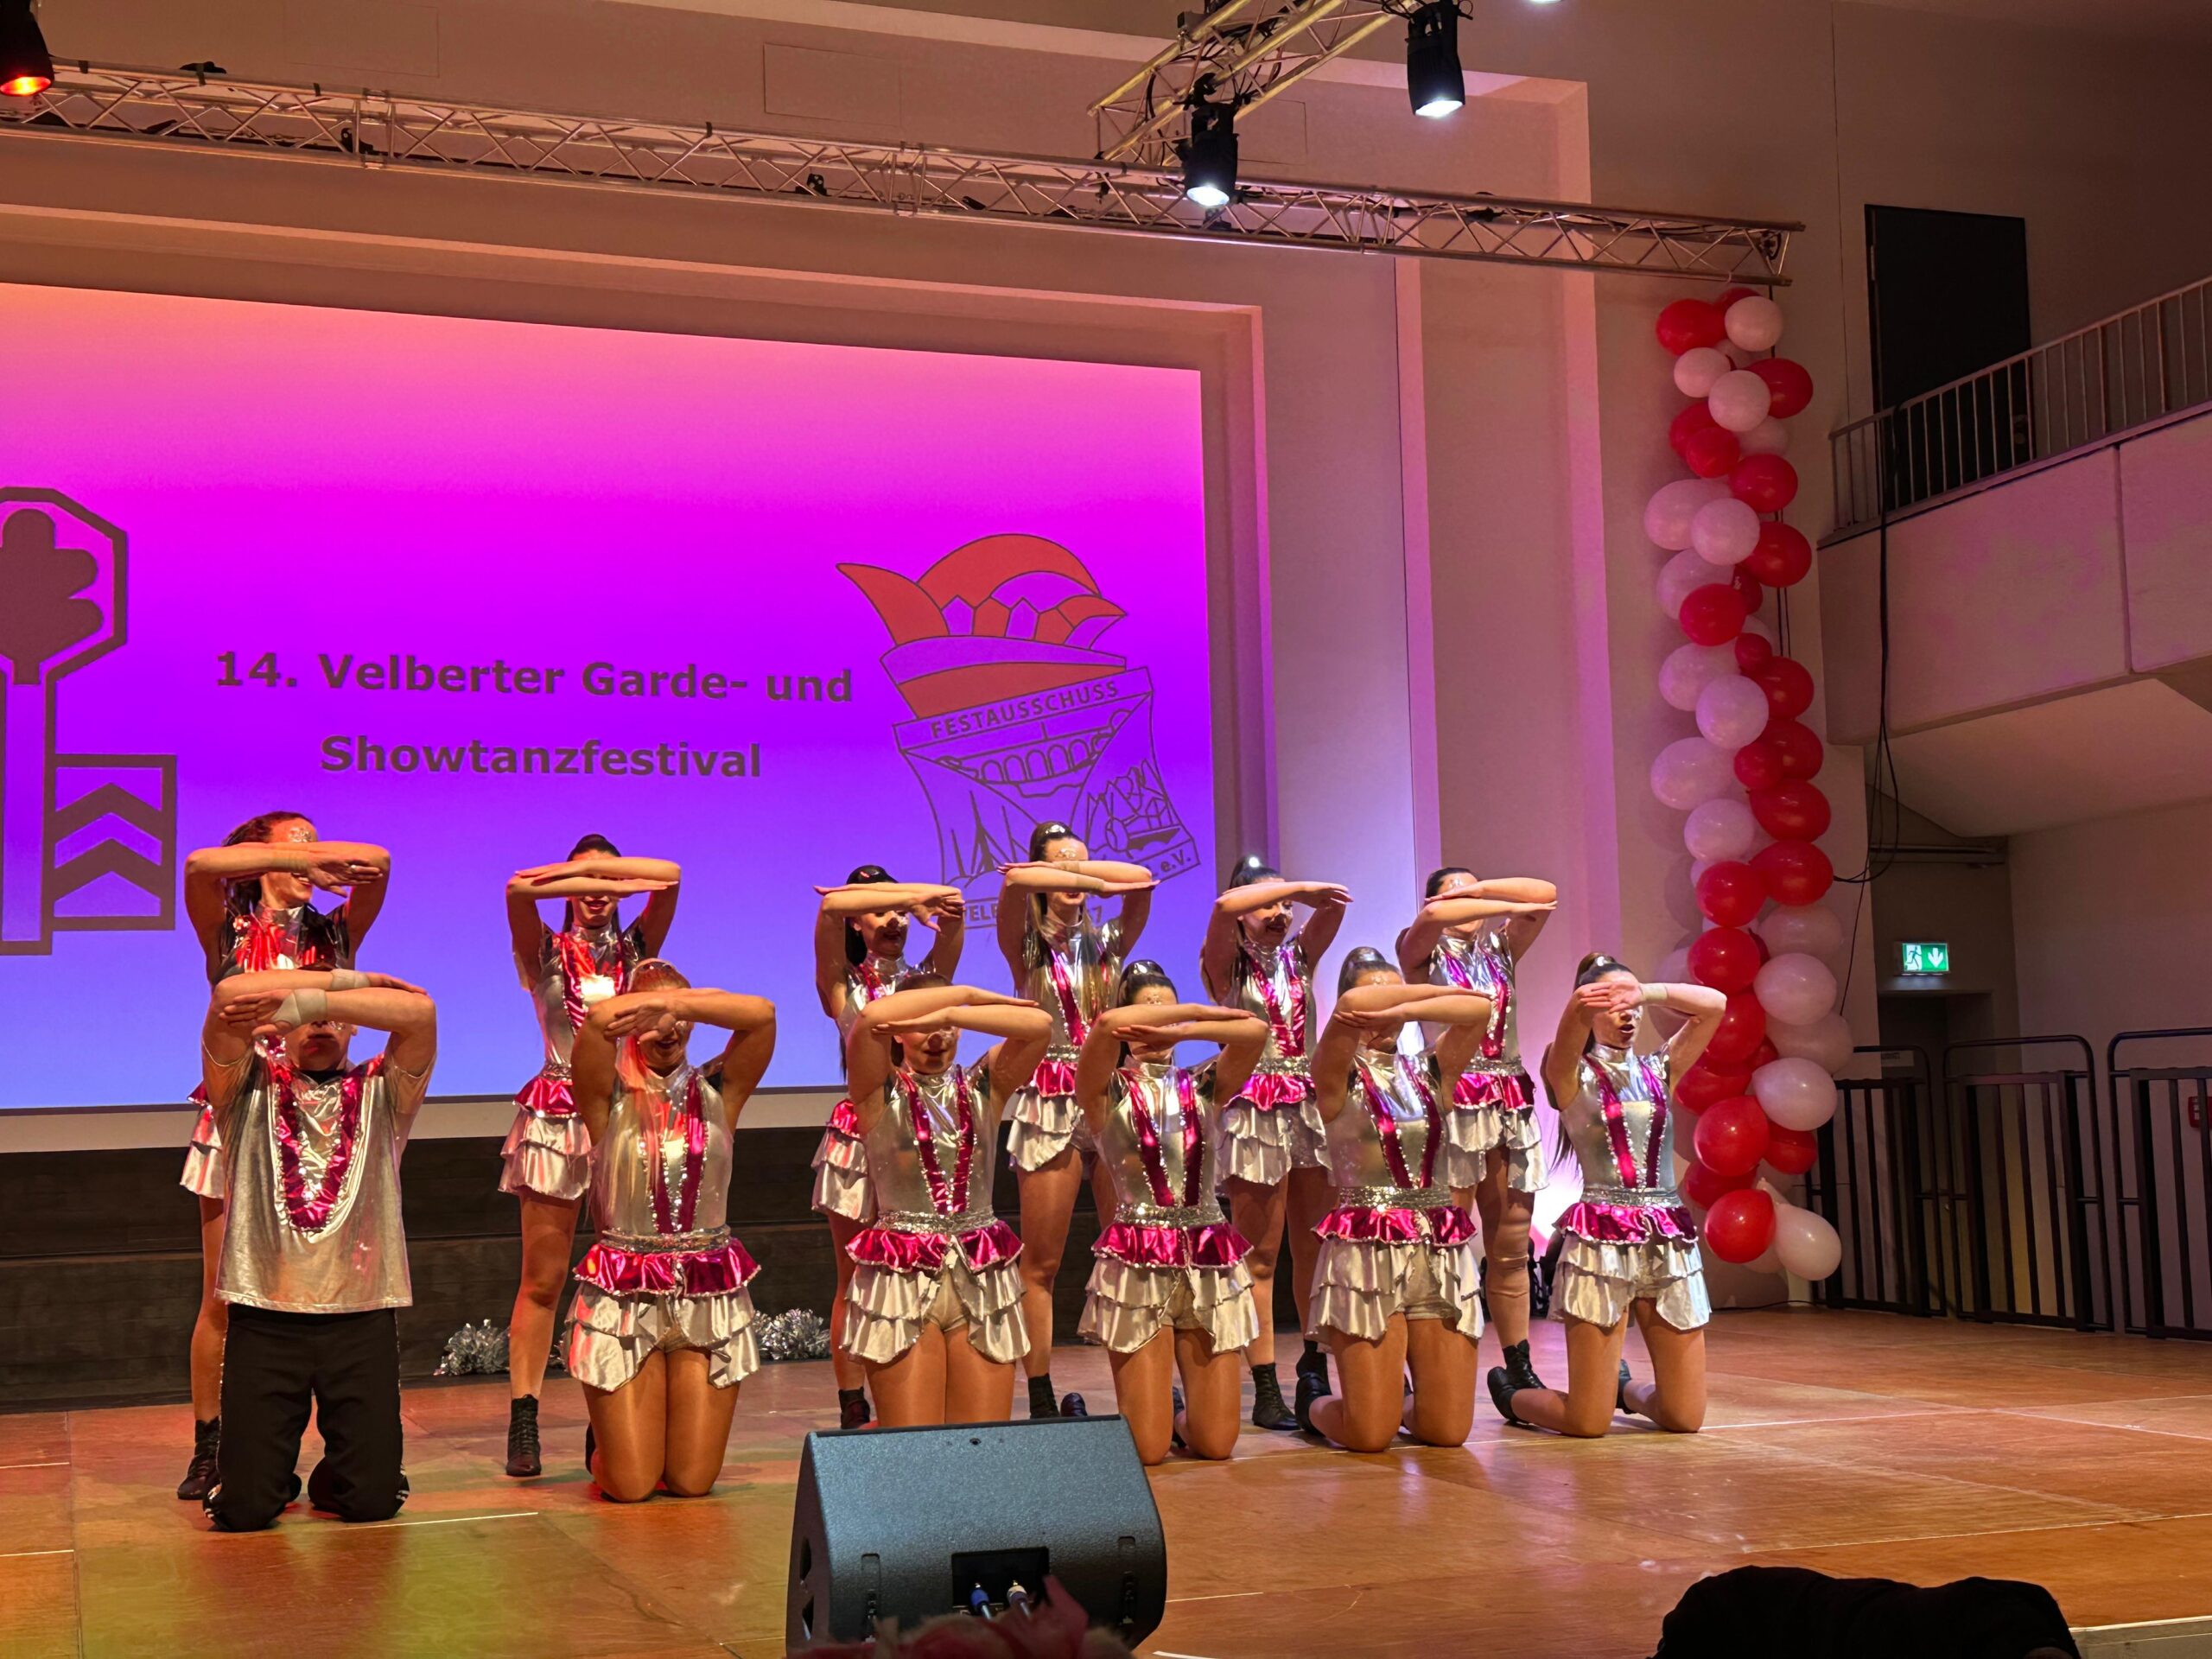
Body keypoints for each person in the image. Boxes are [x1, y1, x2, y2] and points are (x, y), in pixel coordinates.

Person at [174, 813, 391, 1501]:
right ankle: (211, 1445)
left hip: (323, 1117)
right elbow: (196, 868)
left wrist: (314, 860)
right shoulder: (229, 929)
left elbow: (379, 862)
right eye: (294, 845)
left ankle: (337, 1452)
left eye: (316, 844)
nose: (311, 857)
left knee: (319, 1289)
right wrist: (289, 858)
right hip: (246, 1110)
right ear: (258, 857)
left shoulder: (336, 932)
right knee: (223, 1293)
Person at [195, 964, 435, 1531]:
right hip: (266, 1315)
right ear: (280, 1025)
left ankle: (343, 1471)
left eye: (334, 1017)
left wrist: (328, 997)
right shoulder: (244, 1088)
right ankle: (265, 1472)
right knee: (246, 1510)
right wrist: (324, 992)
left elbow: (422, 1013)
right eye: (304, 1014)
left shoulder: (384, 1091)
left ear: (354, 1025)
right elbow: (227, 994)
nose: (320, 1023)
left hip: (360, 1315)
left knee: (371, 1502)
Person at [496, 836, 679, 1478]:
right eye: (584, 882)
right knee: (543, 1280)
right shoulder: (545, 949)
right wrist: (577, 875)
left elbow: (671, 877)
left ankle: (607, 1421)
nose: (597, 892)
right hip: (556, 1114)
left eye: (609, 883)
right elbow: (517, 890)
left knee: (622, 1272)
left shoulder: (636, 950)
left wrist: (611, 875)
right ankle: (524, 1418)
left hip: (624, 1112)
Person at [563, 961, 777, 1502]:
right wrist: (650, 1007)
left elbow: (763, 1015)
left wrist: (674, 1005)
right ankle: (605, 1443)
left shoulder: (718, 1091)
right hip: (625, 1298)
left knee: (691, 1482)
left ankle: (636, 1429)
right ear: (631, 1021)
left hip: (707, 1295)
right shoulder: (607, 1094)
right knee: (631, 1485)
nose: (668, 1029)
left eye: (680, 1017)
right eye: (652, 1018)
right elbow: (594, 1024)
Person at [1491, 953, 1725, 1438]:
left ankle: (1624, 1390)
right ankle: (1514, 1394)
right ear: (1591, 1010)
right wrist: (1586, 1000)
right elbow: (1569, 1032)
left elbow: (1715, 1005)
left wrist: (1647, 991)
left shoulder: (1660, 1068)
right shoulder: (1569, 1071)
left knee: (1684, 1418)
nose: (1628, 1014)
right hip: (1601, 1241)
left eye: (1631, 1005)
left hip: (1667, 1239)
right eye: (1614, 1005)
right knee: (1587, 1423)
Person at [1295, 947, 1496, 1452]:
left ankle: (1390, 1400)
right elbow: (1350, 1010)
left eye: (1397, 997)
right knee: (1369, 1436)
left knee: (1447, 1432)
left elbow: (1479, 1007)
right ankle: (1313, 1403)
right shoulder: (1334, 1072)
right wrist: (1386, 1003)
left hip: (1438, 1248)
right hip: (1368, 1250)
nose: (1389, 1009)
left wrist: (1402, 1002)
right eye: (1377, 999)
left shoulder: (1431, 1069)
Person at [1075, 963, 1267, 1465]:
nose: (1158, 1025)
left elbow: (1256, 1031)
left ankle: (1176, 1412)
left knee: (1217, 1445)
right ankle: (1124, 1420)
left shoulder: (1203, 1085)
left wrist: (1185, 1022)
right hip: (1138, 1260)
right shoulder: (1105, 1088)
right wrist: (1163, 1020)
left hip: (1210, 1256)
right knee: (1148, 1450)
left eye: (1168, 1013)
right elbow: (1102, 1027)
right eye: (1146, 1014)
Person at [995, 823, 1155, 1420]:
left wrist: (1084, 873)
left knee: (1130, 1247)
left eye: (1083, 866)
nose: (1076, 879)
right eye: (1061, 868)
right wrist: (1059, 872)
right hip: (1048, 1094)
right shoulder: (1026, 942)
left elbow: (1142, 884)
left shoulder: (1109, 941)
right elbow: (1013, 886)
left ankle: (1142, 1389)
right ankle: (1040, 1392)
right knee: (1043, 1260)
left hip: (1108, 1091)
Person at [838, 977, 1049, 1426]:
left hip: (981, 1271)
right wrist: (961, 1000)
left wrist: (957, 1008)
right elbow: (870, 1017)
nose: (937, 1035)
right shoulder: (879, 1089)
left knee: (979, 1446)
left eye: (947, 1026)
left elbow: (1040, 1026)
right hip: (903, 1275)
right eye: (923, 1024)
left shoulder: (984, 1085)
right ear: (898, 1032)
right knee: (918, 1445)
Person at [810, 868, 969, 1429]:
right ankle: (853, 1402)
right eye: (879, 911)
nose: (894, 919)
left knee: (919, 1264)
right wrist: (908, 896)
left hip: (921, 1134)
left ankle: (912, 1393)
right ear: (856, 922)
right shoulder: (842, 982)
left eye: (900, 911)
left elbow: (955, 917)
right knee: (854, 1272)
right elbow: (827, 912)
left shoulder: (925, 980)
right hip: (862, 1131)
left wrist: (928, 907)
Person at [1198, 858, 1350, 1430]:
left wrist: (1296, 896)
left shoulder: (1299, 957)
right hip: (1253, 1106)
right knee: (1259, 1254)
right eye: (1266, 904)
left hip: (1307, 1105)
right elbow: (1221, 908)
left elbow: (1334, 907)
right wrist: (1296, 886)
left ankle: (1313, 1368)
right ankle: (1264, 1385)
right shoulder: (1224, 962)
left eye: (1287, 905)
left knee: (1314, 1248)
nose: (1281, 912)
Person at [1397, 868, 1557, 1395]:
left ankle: (1517, 1364)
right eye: (1454, 891)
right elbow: (1432, 919)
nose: (1468, 900)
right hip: (1451, 1097)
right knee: (1444, 1239)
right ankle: (1431, 1365)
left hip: (1508, 1098)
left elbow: (1543, 895)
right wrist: (1466, 899)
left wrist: (1479, 892)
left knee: (1510, 1244)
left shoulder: (1500, 949)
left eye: (1473, 889)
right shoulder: (1420, 950)